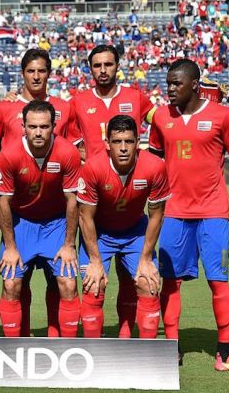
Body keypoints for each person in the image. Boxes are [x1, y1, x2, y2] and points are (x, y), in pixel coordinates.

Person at [149, 58, 229, 370]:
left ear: (194, 85)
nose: (170, 89)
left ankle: (223, 347)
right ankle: (171, 345)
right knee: (170, 282)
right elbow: (152, 159)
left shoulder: (222, 115)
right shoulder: (161, 117)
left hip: (213, 212)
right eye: (168, 83)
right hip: (173, 212)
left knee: (218, 280)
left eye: (176, 83)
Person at [0, 49, 74, 337]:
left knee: (60, 281)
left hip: (54, 208)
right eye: (30, 71)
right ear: (22, 73)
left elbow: (77, 150)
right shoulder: (3, 109)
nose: (36, 76)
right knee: (17, 281)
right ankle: (20, 337)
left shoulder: (64, 108)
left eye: (41, 71)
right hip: (16, 210)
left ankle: (59, 340)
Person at [69, 44, 156, 338]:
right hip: (96, 197)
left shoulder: (136, 97)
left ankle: (128, 335)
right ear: (89, 68)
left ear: (118, 65)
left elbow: (164, 121)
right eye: (97, 65)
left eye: (108, 64)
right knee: (94, 282)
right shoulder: (78, 101)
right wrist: (88, 160)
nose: (103, 70)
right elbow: (63, 137)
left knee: (135, 279)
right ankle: (94, 349)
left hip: (130, 198)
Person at [76, 115, 170, 339]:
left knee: (148, 284)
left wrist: (146, 258)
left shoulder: (155, 167)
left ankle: (146, 358)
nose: (124, 148)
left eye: (129, 141)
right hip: (100, 233)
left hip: (135, 231)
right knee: (93, 285)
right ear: (107, 144)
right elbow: (85, 217)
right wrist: (96, 261)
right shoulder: (92, 168)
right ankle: (94, 355)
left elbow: (157, 215)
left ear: (138, 142)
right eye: (117, 142)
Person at [0, 100, 82, 338]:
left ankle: (68, 348)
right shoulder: (10, 154)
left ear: (54, 126)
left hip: (56, 225)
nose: (38, 132)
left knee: (68, 283)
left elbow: (73, 200)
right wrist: (10, 247)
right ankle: (14, 346)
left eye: (44, 126)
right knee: (12, 284)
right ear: (23, 126)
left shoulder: (67, 152)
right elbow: (2, 202)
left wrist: (69, 244)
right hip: (21, 224)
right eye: (32, 126)